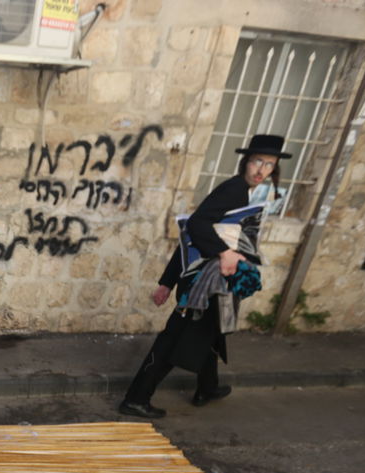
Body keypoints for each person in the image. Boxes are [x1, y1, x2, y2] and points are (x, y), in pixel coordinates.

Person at [119, 133, 290, 419]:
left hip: (210, 284)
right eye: (257, 162)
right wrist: (223, 253)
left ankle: (207, 388)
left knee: (211, 332)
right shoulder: (234, 190)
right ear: (246, 162)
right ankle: (136, 399)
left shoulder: (243, 193)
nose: (262, 170)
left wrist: (167, 280)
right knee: (173, 340)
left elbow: (194, 235)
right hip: (200, 286)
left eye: (269, 165)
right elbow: (196, 226)